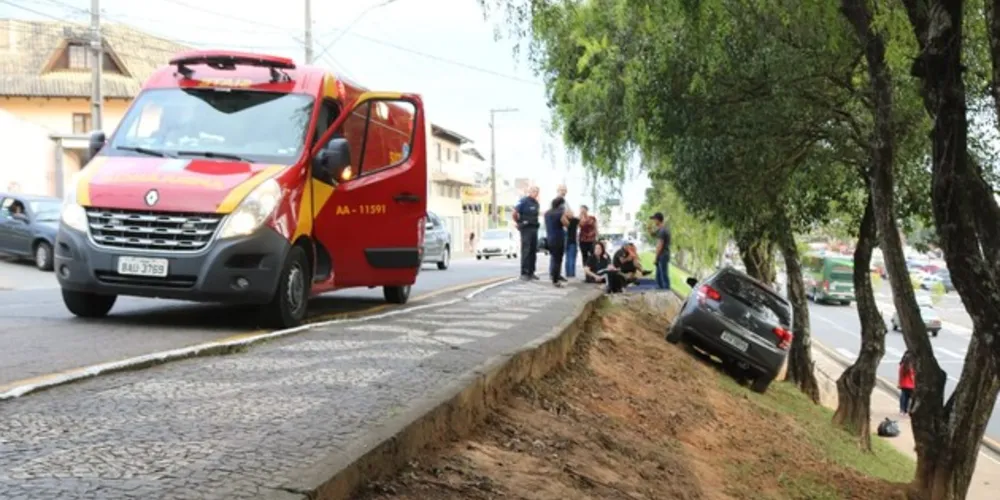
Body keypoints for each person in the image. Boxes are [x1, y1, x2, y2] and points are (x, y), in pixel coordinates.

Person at [513, 186, 541, 280]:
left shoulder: (536, 203)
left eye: (537, 191)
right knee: (526, 250)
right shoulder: (524, 201)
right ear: (529, 192)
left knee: (533, 250)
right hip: (526, 228)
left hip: (534, 227)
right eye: (533, 191)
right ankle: (524, 273)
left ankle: (531, 272)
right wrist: (518, 223)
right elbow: (515, 212)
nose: (535, 193)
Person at [544, 196, 570, 287]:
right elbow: (566, 224)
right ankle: (556, 279)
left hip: (550, 238)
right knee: (558, 260)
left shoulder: (547, 213)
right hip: (558, 237)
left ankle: (554, 277)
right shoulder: (560, 213)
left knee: (554, 258)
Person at [650, 212, 672, 290]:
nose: (654, 222)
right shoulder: (661, 230)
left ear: (658, 220)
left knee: (663, 275)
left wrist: (656, 258)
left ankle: (666, 292)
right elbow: (653, 234)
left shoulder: (662, 231)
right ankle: (660, 290)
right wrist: (649, 229)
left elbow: (660, 245)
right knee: (658, 276)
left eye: (654, 220)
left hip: (662, 255)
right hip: (662, 255)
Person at [564, 206, 580, 279]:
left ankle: (567, 273)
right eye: (571, 212)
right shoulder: (574, 220)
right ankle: (571, 274)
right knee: (572, 258)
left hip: (565, 242)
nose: (573, 213)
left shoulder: (565, 220)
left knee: (567, 258)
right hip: (572, 241)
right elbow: (580, 219)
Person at [899, 351, 916, 416]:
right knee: (909, 398)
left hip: (903, 385)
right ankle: (907, 410)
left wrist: (899, 383)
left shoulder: (902, 366)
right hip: (911, 385)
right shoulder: (910, 367)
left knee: (903, 398)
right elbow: (912, 376)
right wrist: (915, 383)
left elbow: (900, 375)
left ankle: (902, 410)